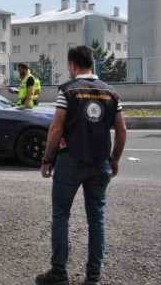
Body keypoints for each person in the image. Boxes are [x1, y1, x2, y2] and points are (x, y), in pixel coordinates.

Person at [36, 46, 127, 285]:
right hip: (100, 163)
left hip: (70, 161)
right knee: (96, 219)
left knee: (61, 215)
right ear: (92, 64)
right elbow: (121, 130)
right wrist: (114, 159)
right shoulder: (111, 93)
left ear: (73, 65)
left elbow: (56, 128)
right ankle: (93, 277)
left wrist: (48, 158)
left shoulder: (67, 91)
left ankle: (59, 273)